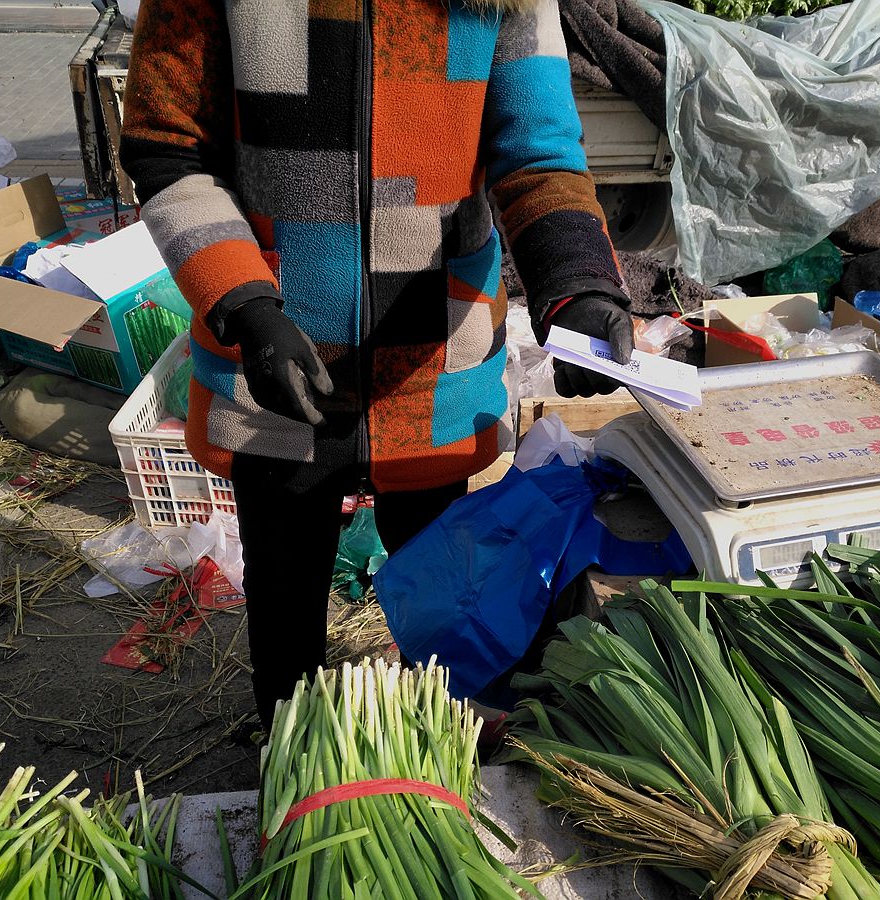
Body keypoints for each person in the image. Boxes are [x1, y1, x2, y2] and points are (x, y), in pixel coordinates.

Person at [120, 0, 634, 727]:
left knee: (442, 591)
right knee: (285, 592)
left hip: (432, 366)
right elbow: (168, 150)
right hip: (273, 359)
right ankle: (290, 755)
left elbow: (539, 148)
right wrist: (244, 302)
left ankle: (438, 747)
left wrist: (577, 284)